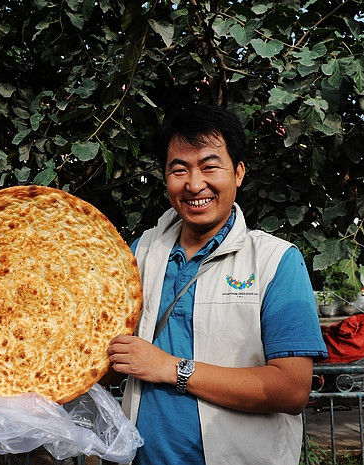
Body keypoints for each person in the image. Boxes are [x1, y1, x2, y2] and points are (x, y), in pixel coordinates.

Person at [106, 103, 328, 465]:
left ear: (238, 172)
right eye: (179, 170)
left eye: (210, 166)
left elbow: (291, 389)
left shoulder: (275, 261)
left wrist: (170, 368)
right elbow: (109, 355)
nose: (195, 184)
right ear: (165, 178)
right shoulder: (138, 254)